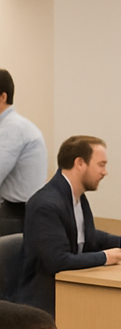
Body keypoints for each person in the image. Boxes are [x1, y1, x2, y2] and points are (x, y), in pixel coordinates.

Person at [14, 135, 121, 315]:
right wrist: (105, 257)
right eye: (101, 165)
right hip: (45, 301)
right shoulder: (45, 204)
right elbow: (57, 261)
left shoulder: (77, 197)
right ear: (79, 163)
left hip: (72, 289)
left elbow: (86, 235)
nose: (105, 172)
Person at [0, 70, 47, 236]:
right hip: (18, 212)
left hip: (15, 214)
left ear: (2, 97)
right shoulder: (13, 126)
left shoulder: (13, 128)